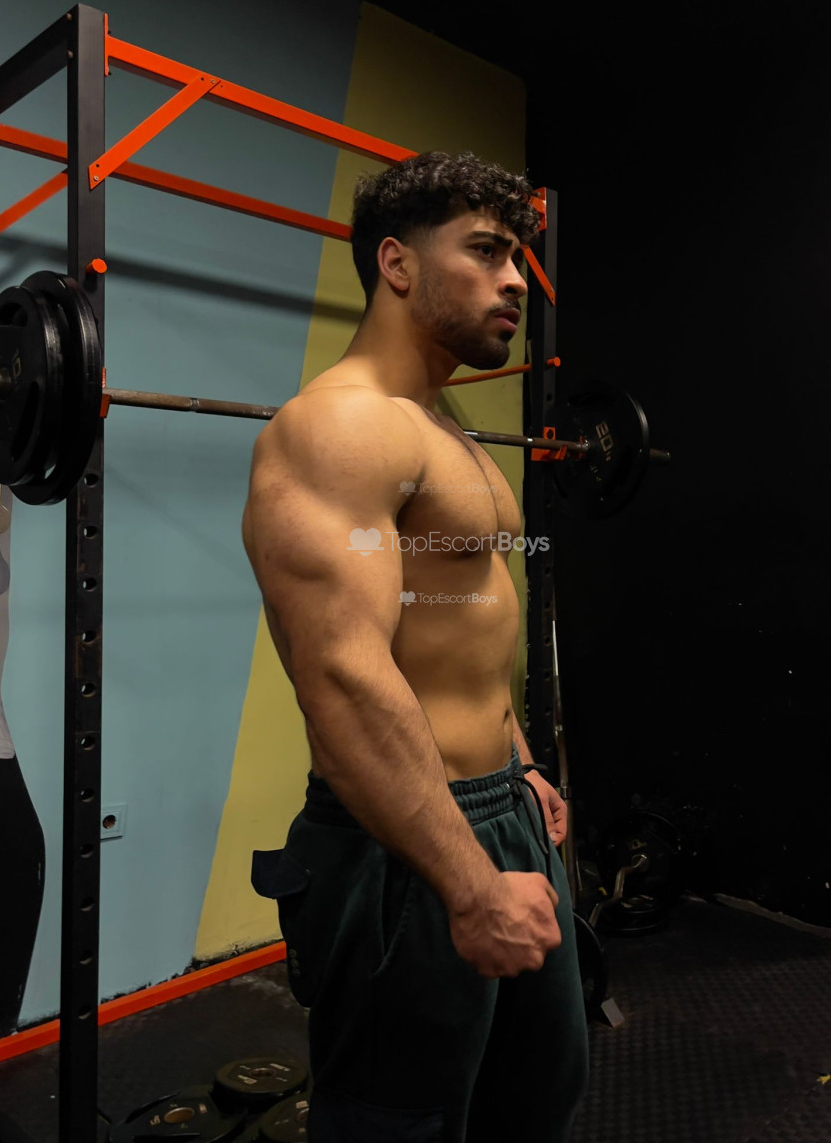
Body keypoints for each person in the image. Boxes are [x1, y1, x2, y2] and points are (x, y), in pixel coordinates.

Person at [243, 152, 589, 1142]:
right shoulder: (339, 429)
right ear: (396, 264)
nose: (515, 280)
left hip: (501, 809)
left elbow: (455, 621)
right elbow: (346, 679)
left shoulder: (442, 431)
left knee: (533, 1103)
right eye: (485, 251)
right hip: (408, 839)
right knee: (402, 1124)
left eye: (516, 256)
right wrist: (470, 885)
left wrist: (520, 764)